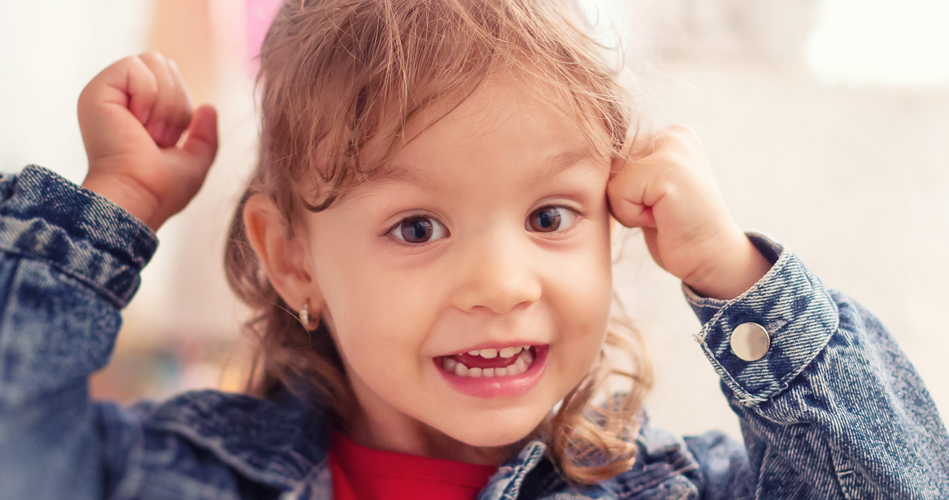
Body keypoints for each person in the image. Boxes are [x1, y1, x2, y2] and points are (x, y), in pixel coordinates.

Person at [1, 0, 947, 498]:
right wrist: (111, 209)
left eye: (549, 218)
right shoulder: (174, 473)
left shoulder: (682, 490)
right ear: (292, 259)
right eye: (417, 228)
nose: (502, 284)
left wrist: (736, 276)